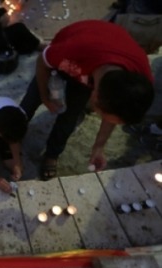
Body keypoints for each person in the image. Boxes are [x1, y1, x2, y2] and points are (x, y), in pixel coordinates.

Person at [20, 20, 154, 180]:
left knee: (70, 114)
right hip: (77, 49)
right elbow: (43, 61)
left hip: (96, 61)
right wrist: (44, 96)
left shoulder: (139, 82)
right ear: (94, 96)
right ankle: (13, 132)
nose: (106, 120)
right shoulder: (72, 52)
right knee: (30, 101)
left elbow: (116, 108)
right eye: (103, 116)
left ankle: (52, 154)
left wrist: (98, 147)